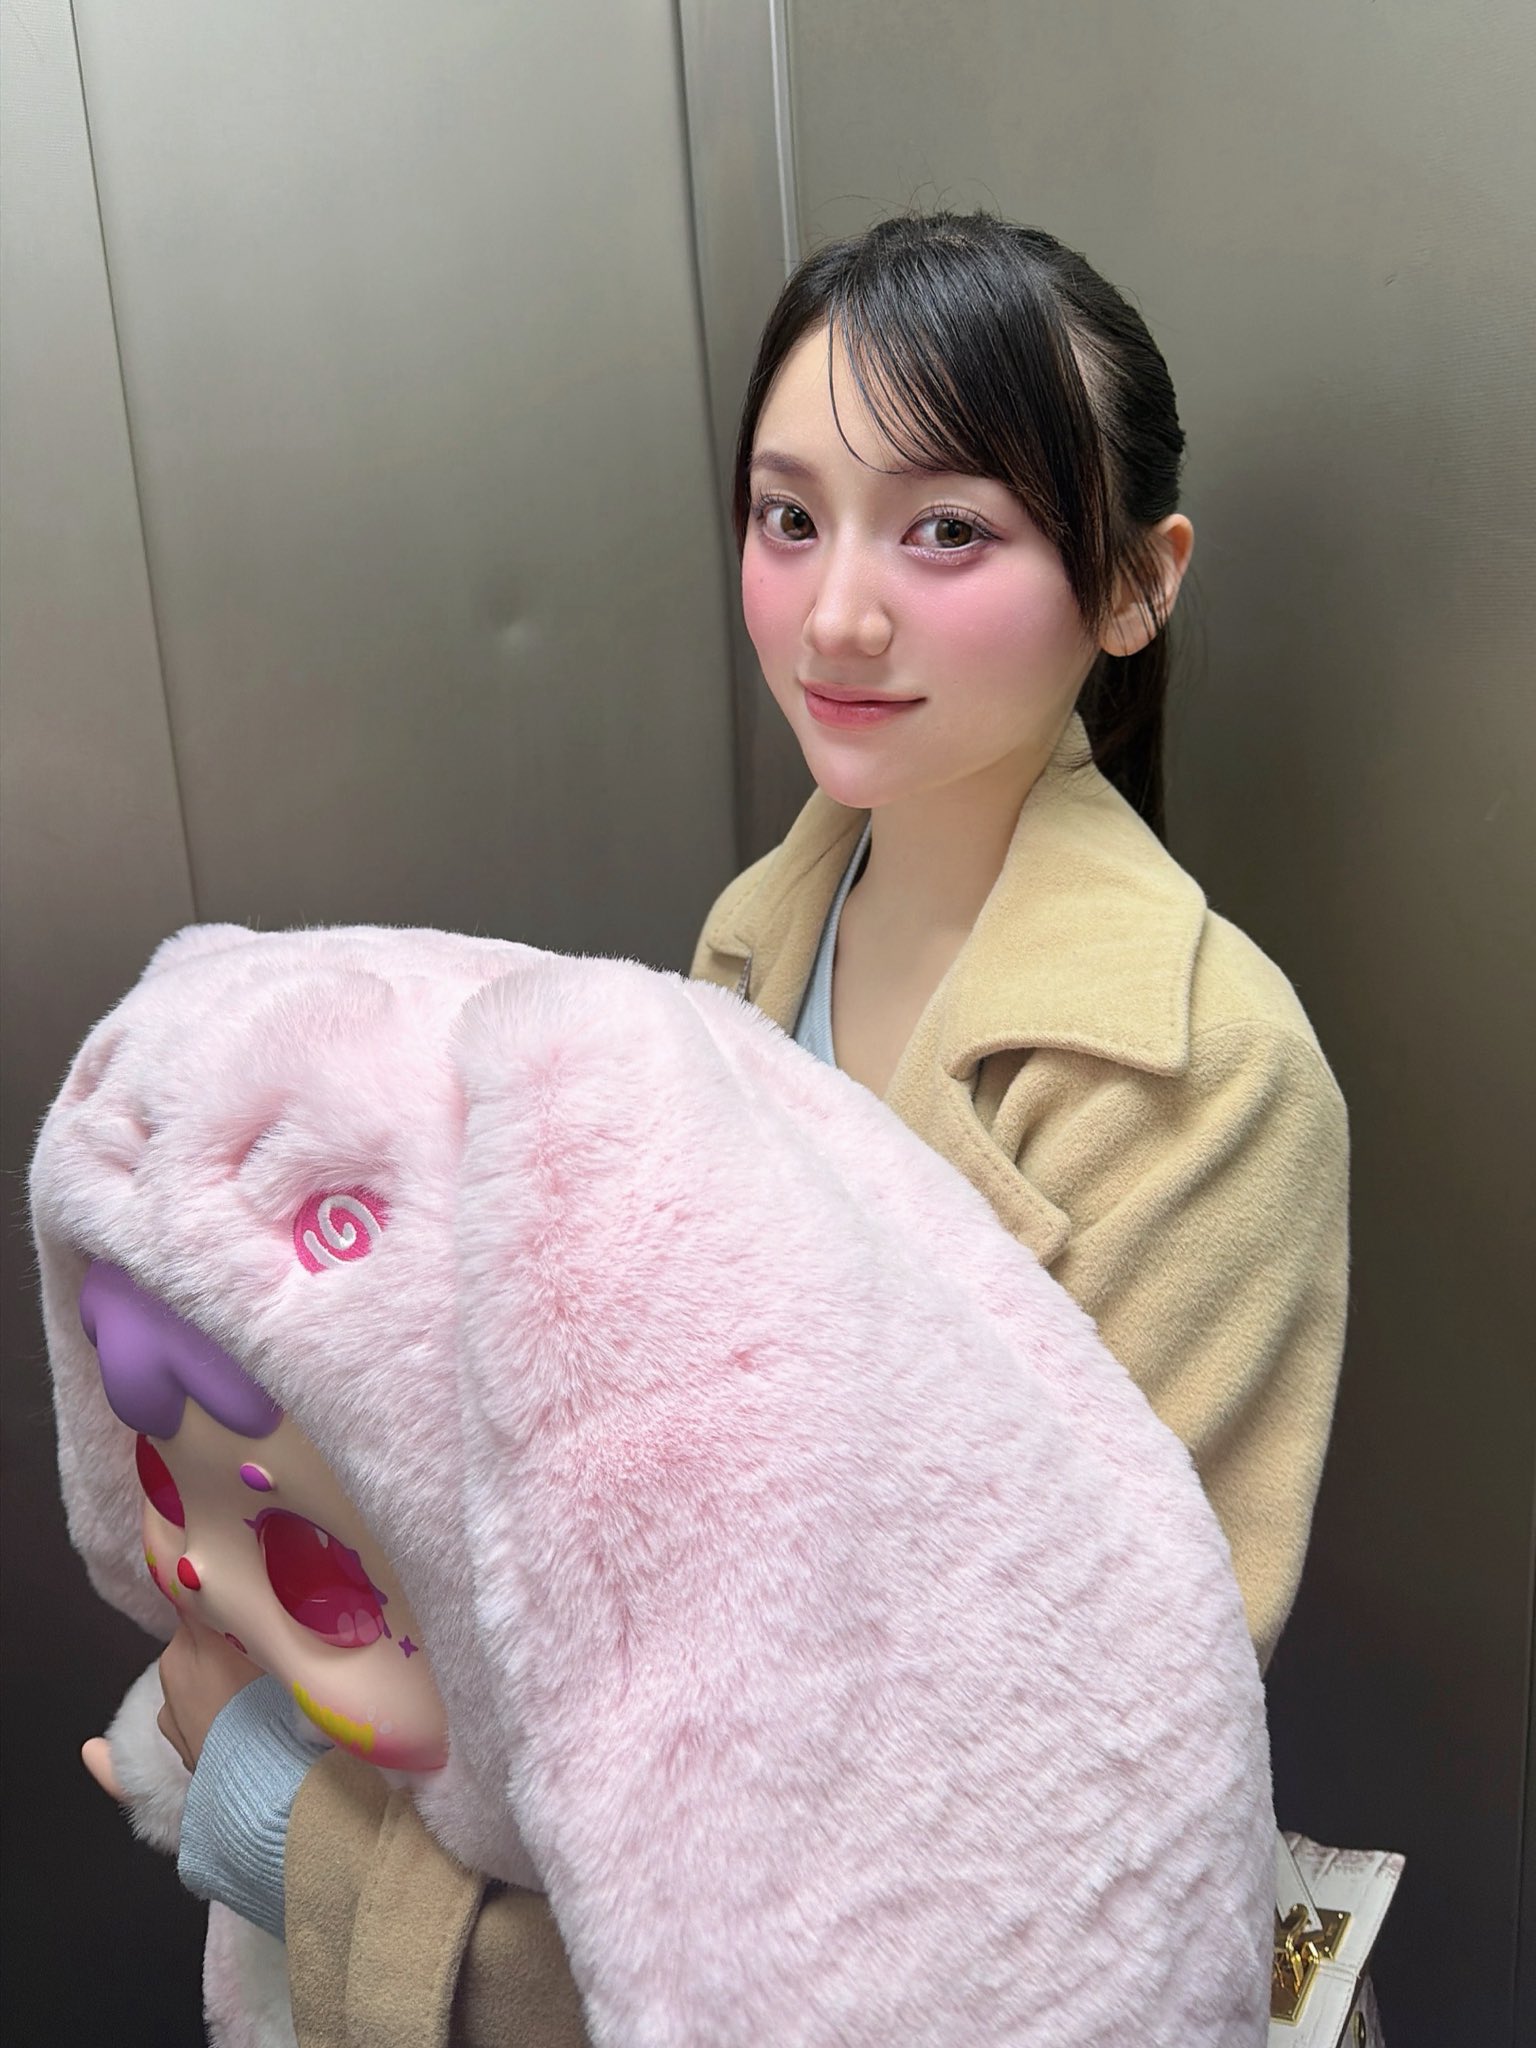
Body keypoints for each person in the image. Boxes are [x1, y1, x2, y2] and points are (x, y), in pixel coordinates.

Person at [101, 210, 1348, 2044]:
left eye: (948, 529)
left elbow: (1029, 1813)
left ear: (1134, 584)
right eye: (789, 517)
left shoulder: (1206, 1077)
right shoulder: (755, 941)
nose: (838, 612)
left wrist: (293, 1833)